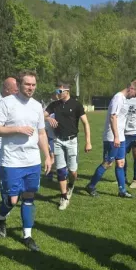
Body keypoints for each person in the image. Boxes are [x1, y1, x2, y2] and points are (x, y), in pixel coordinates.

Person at [0, 70, 52, 251]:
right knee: (12, 200)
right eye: (27, 84)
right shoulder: (6, 103)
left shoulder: (37, 106)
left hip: (33, 160)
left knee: (29, 196)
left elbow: (41, 133)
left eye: (33, 85)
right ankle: (1, 218)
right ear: (19, 85)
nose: (31, 88)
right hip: (12, 161)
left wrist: (47, 156)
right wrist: (17, 129)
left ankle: (27, 236)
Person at [86, 81, 136, 198]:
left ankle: (122, 191)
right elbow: (113, 117)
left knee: (121, 163)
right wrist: (116, 136)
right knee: (108, 163)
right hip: (112, 137)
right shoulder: (118, 98)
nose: (135, 96)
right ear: (131, 88)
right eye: (135, 94)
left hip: (121, 137)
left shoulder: (124, 99)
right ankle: (91, 186)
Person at [44, 82, 92, 210]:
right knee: (60, 170)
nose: (57, 94)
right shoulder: (54, 104)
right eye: (56, 91)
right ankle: (64, 197)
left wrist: (88, 142)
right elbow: (42, 115)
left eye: (59, 91)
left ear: (67, 91)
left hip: (72, 141)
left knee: (72, 171)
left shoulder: (76, 105)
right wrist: (48, 119)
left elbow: (85, 123)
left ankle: (71, 185)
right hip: (58, 141)